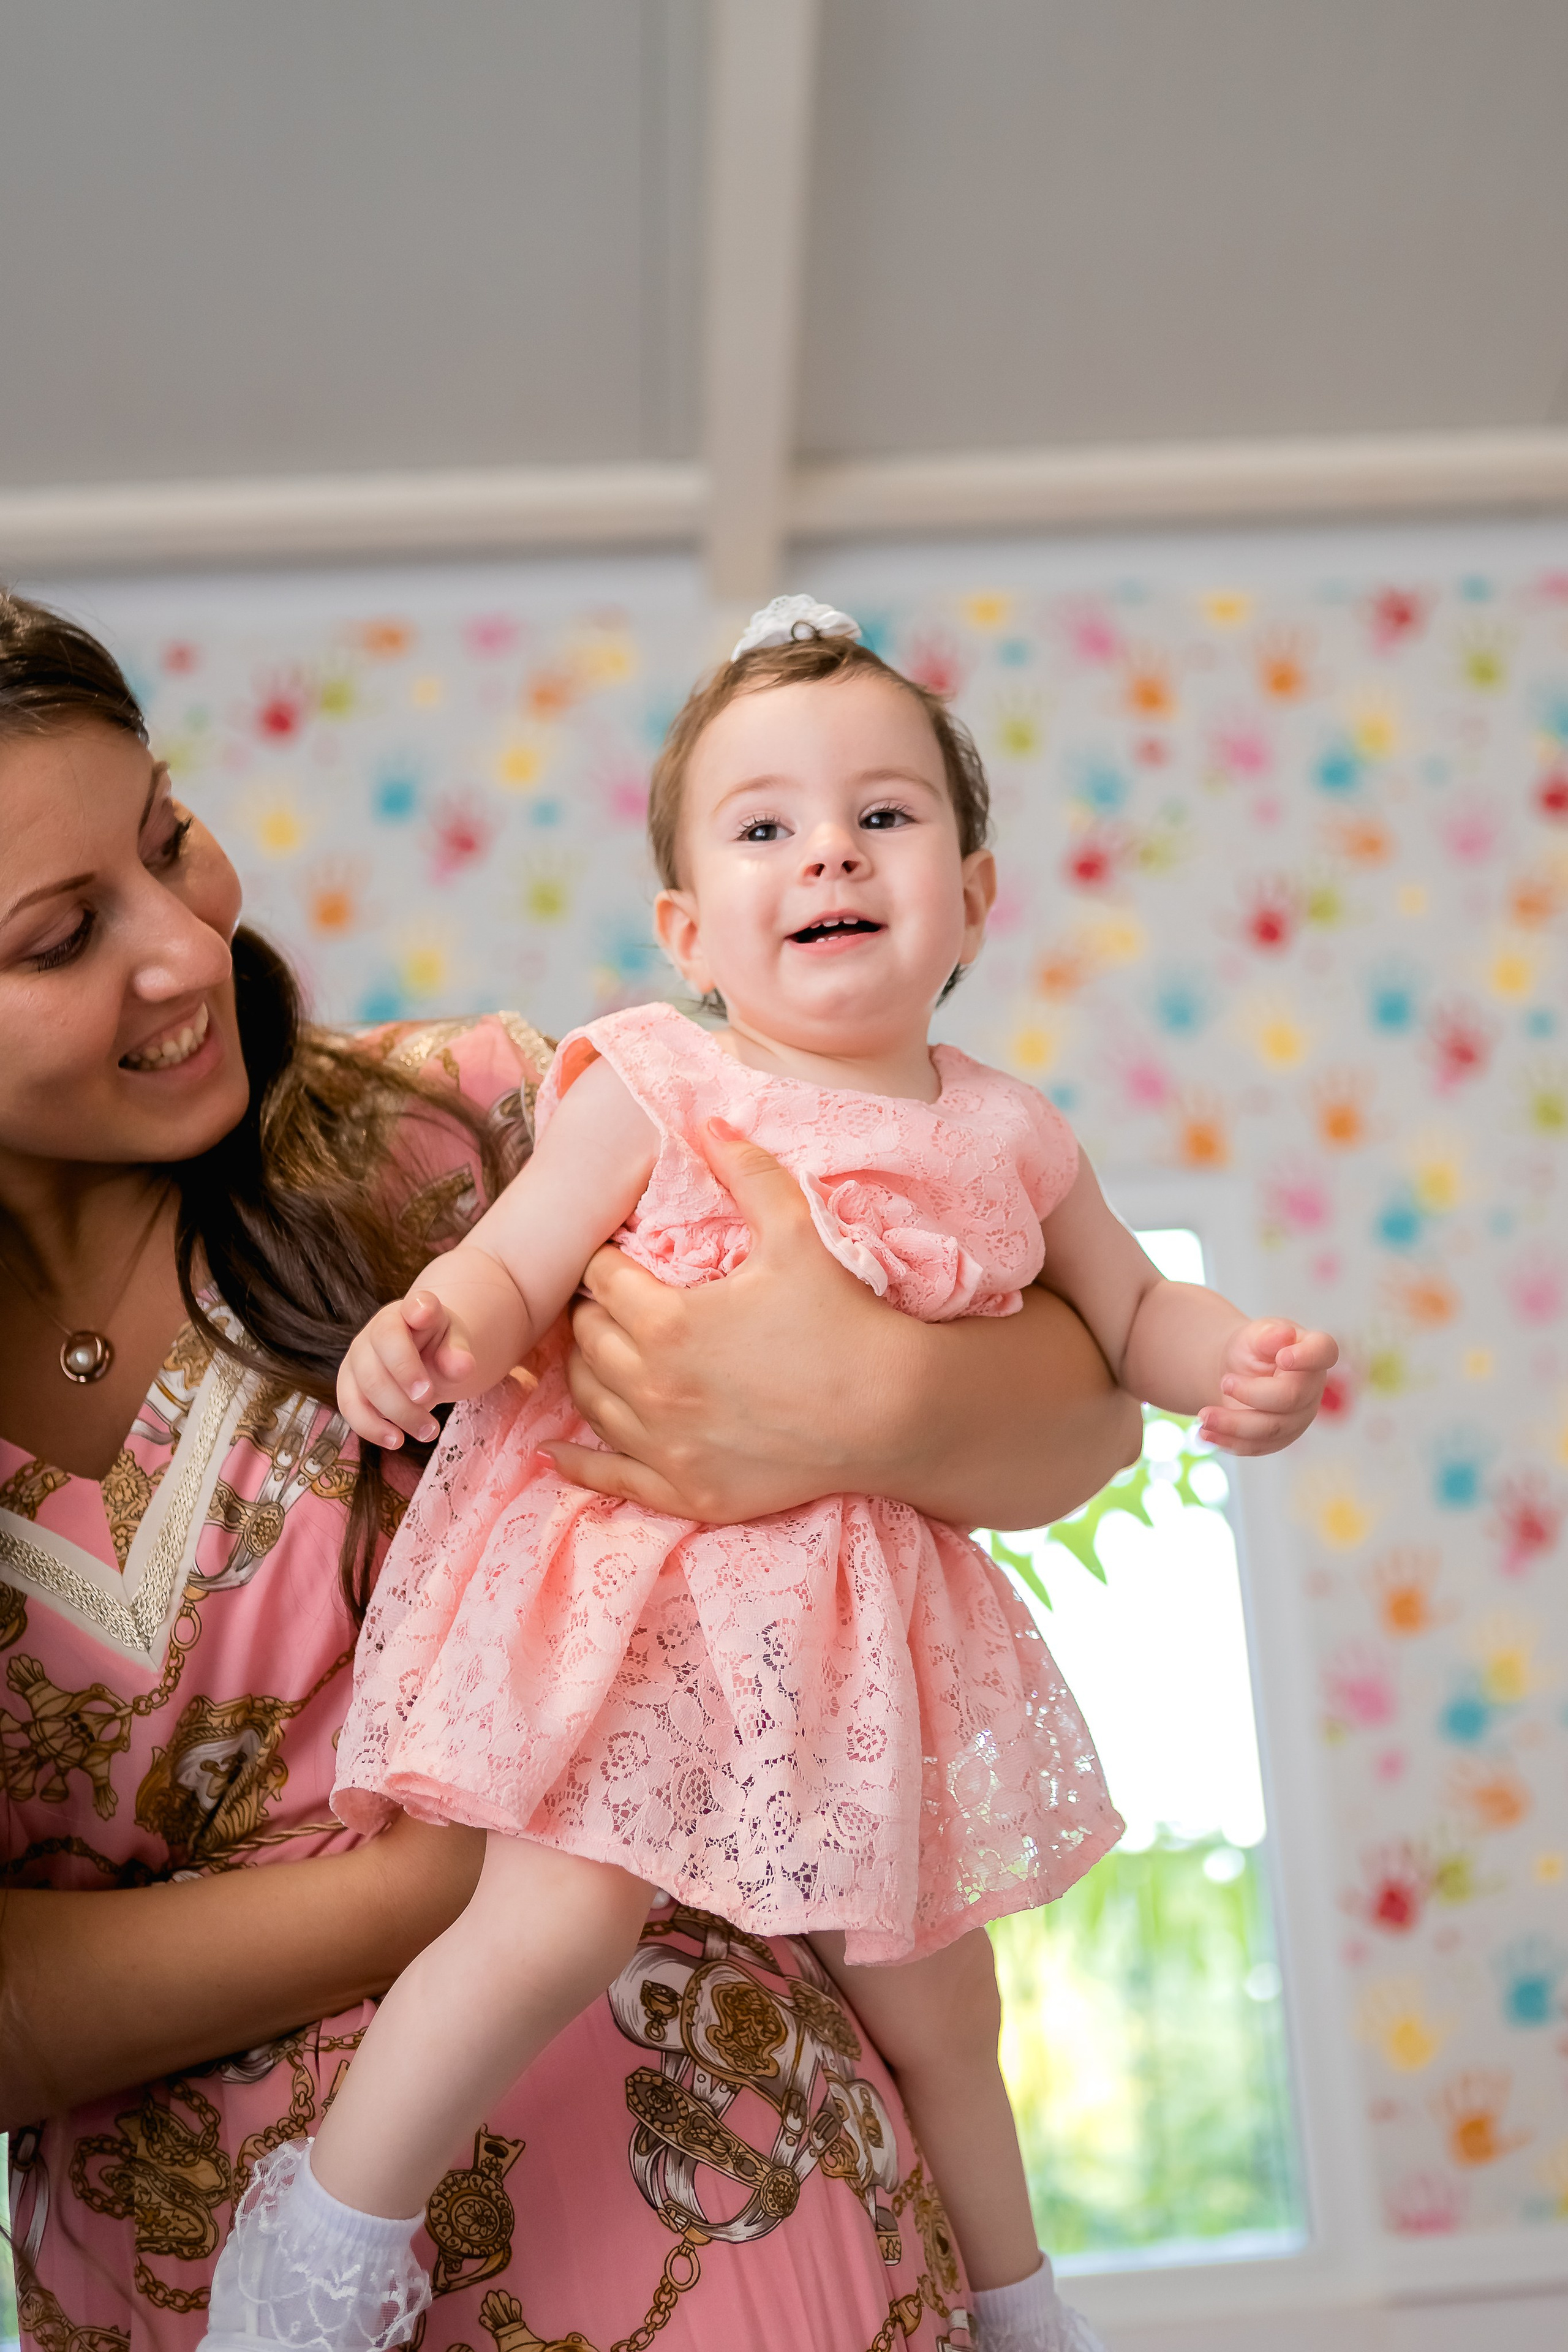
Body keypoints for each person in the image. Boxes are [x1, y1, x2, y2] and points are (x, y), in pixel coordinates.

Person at [0, 586, 1145, 2352]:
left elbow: (1092, 1411)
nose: (185, 947)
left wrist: (862, 1393)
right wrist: (513, 1857)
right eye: (61, 935)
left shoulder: (466, 1126)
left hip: (764, 2230)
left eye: (170, 839)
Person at [206, 598, 1336, 2352]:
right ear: (689, 926)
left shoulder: (1010, 1132)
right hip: (643, 1587)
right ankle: (326, 2246)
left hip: (850, 1636)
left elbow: (1128, 1320)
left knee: (942, 2001)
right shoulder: (655, 1078)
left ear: (973, 891)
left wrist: (1233, 1369)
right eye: (766, 826)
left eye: (884, 816)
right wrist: (434, 1325)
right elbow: (518, 1259)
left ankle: (1021, 2296)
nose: (830, 849)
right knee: (552, 1922)